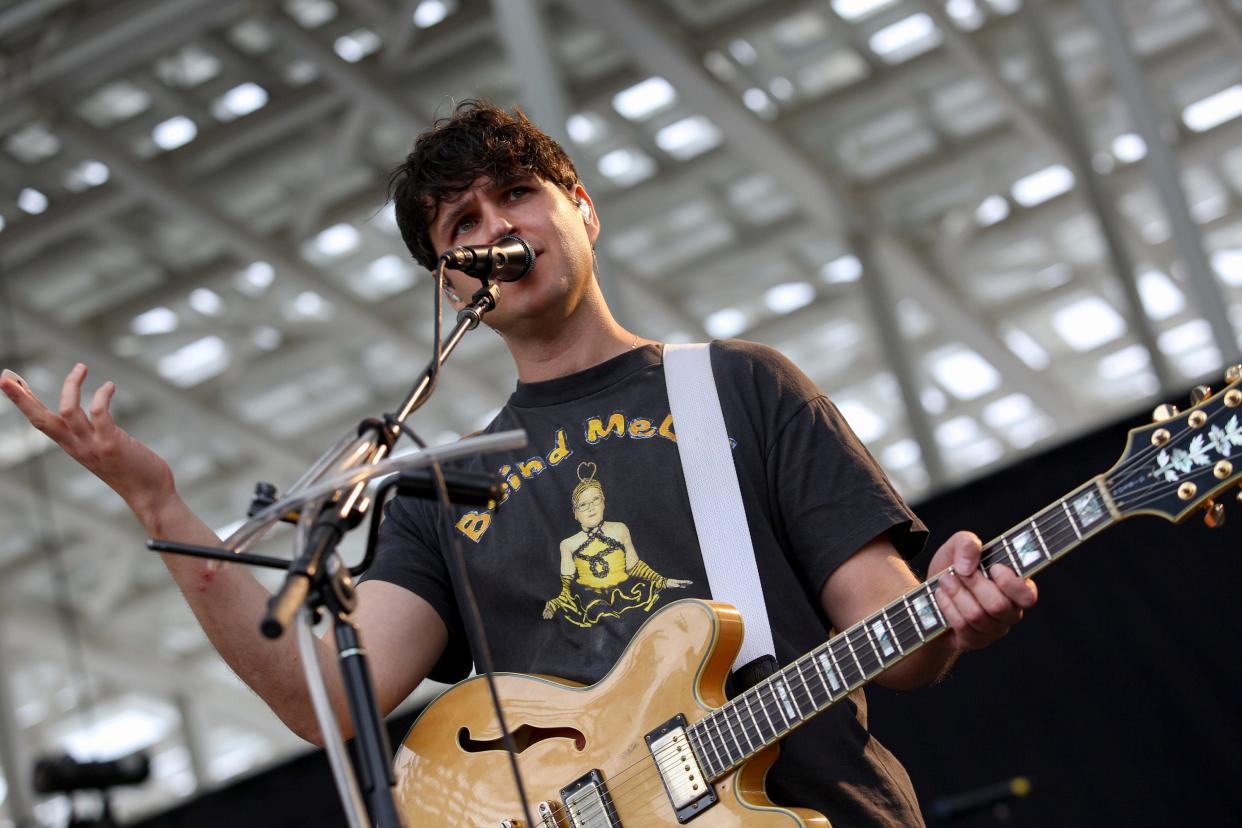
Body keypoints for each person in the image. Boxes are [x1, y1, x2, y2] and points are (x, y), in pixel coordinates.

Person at [0, 101, 1037, 827]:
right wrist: (155, 498)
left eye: (517, 197)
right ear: (453, 286)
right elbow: (316, 695)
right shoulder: (438, 486)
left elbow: (897, 643)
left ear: (581, 206)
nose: (497, 228)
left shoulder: (738, 387)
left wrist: (951, 609)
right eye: (463, 226)